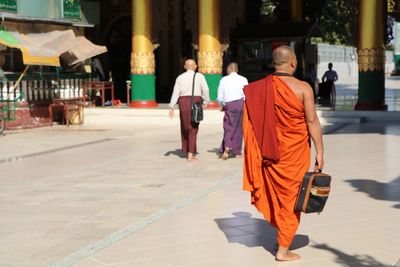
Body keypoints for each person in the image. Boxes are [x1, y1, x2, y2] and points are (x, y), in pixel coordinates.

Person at [242, 45, 324, 261]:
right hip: (294, 153)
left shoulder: (259, 89)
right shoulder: (303, 88)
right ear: (294, 62)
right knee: (292, 197)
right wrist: (320, 151)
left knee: (278, 197)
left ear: (273, 64)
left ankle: (282, 238)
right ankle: (283, 250)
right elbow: (311, 120)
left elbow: (253, 124)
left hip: (269, 153)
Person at [169, 59, 210, 161]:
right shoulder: (200, 76)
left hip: (183, 102)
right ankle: (191, 154)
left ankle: (187, 150)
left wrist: (172, 106)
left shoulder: (180, 77)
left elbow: (176, 92)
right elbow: (206, 89)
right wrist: (206, 101)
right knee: (193, 127)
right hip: (196, 101)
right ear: (195, 66)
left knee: (185, 126)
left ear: (185, 67)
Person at [217, 62, 248, 160]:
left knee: (228, 126)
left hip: (229, 104)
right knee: (239, 127)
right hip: (240, 104)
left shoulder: (224, 80)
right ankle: (237, 152)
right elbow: (246, 94)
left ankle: (226, 148)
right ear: (237, 70)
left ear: (229, 69)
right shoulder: (243, 79)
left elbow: (220, 96)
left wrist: (221, 104)